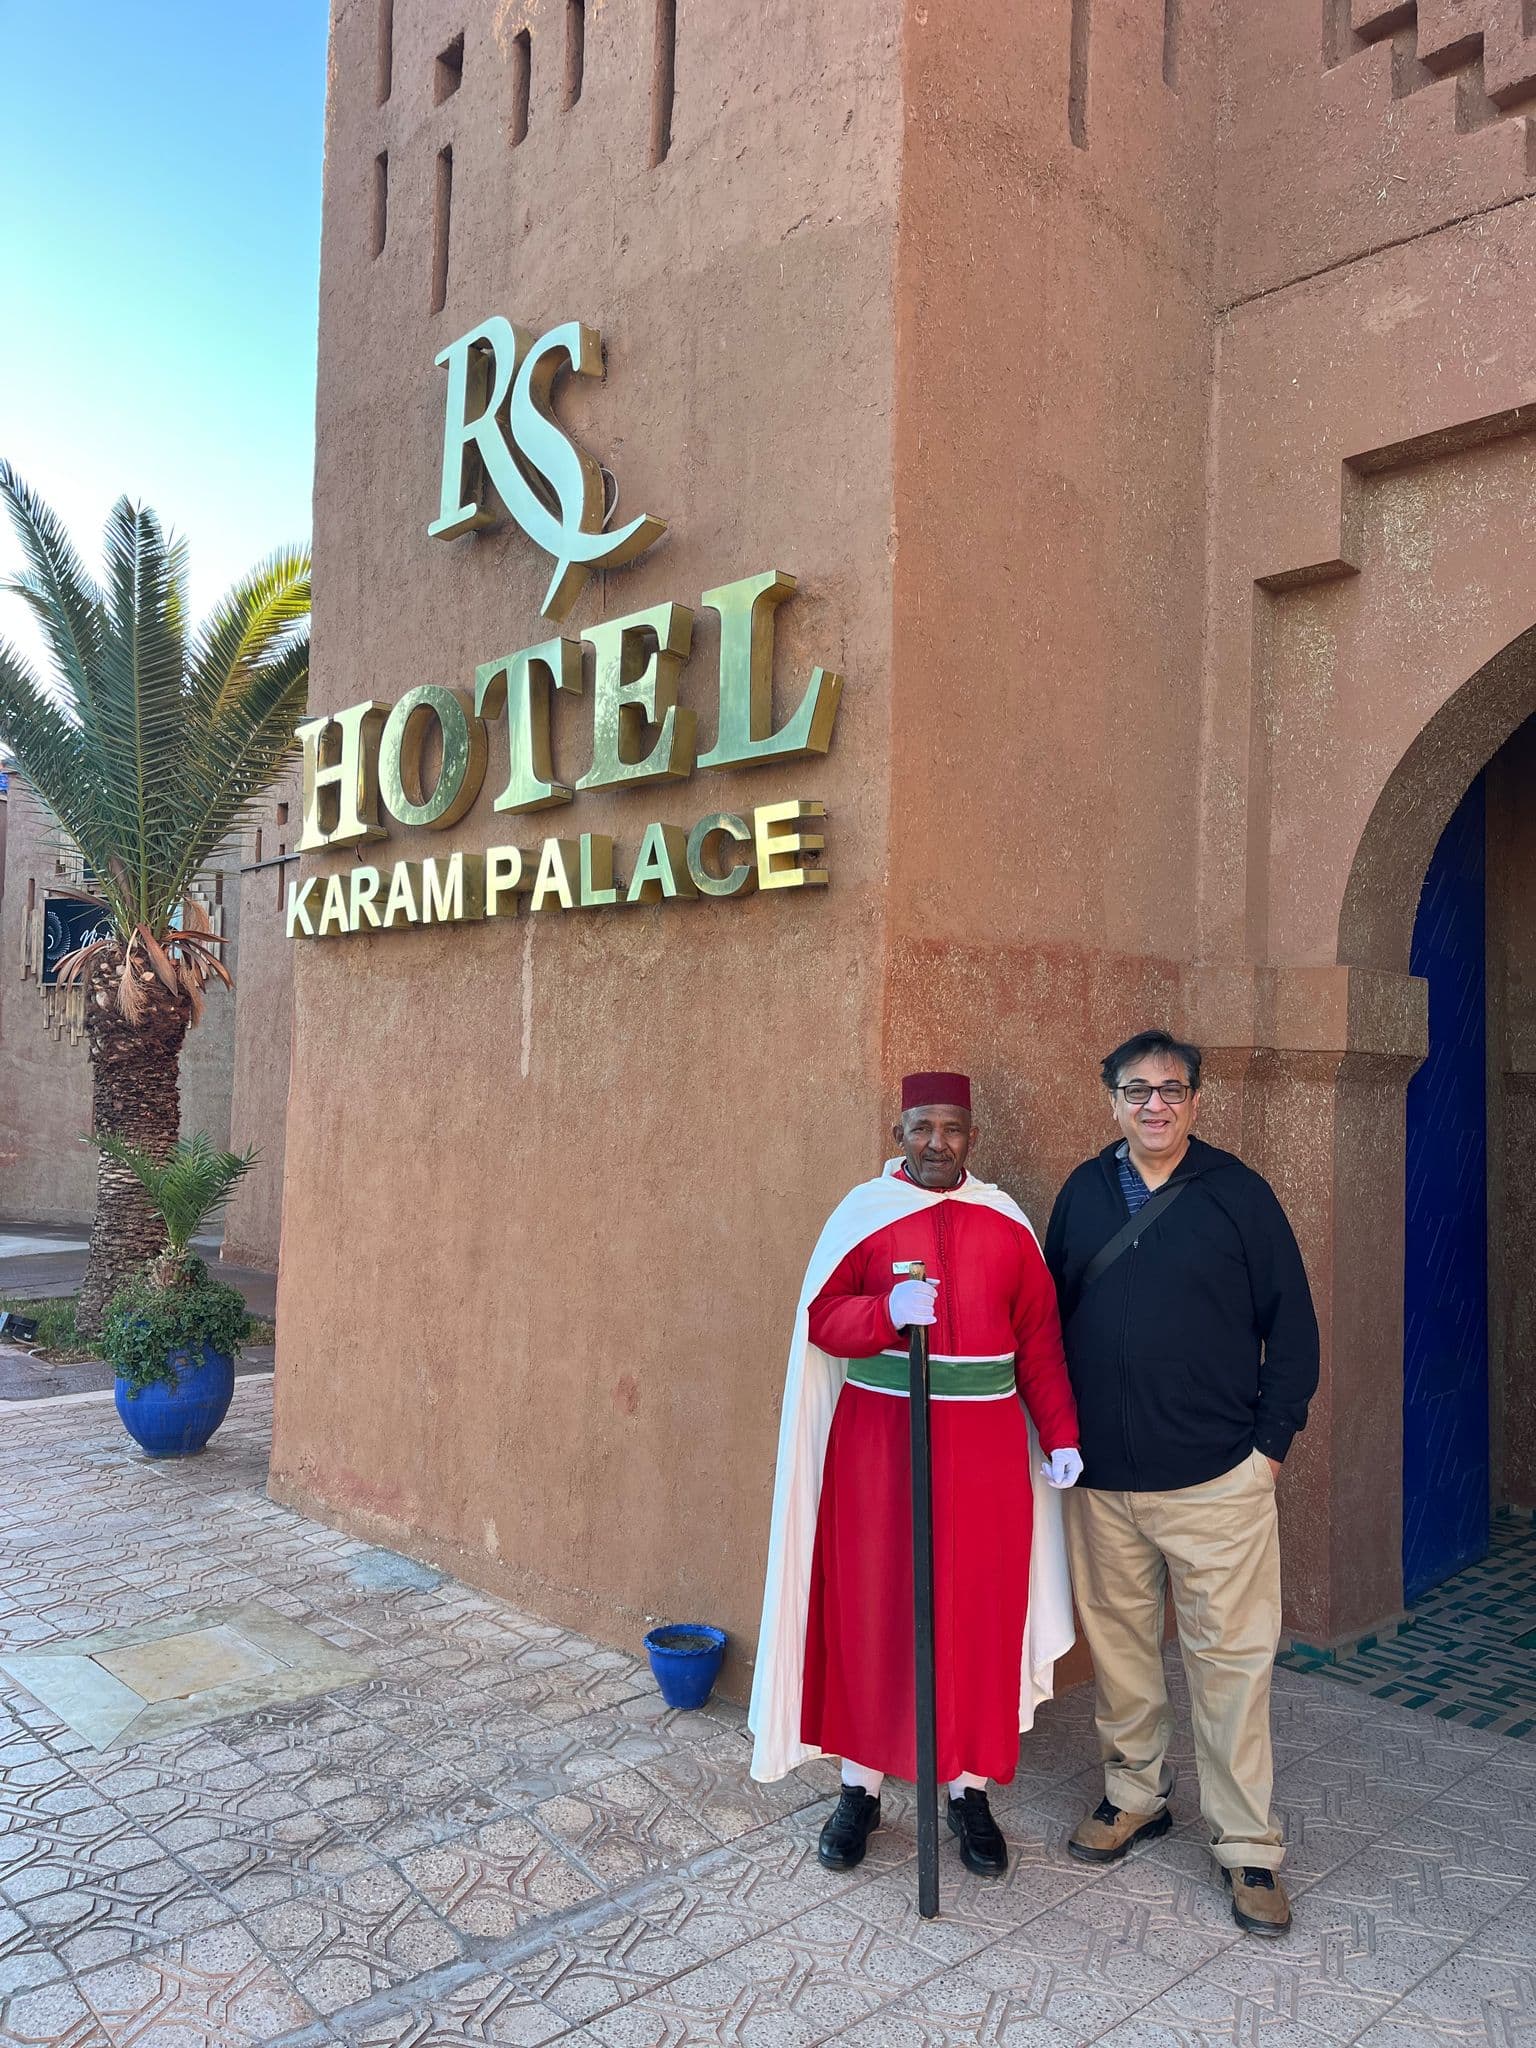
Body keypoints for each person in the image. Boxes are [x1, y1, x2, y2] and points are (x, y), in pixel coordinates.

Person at [749, 1072, 1083, 1877]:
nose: (939, 1142)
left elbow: (1038, 1339)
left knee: (977, 1613)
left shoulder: (1006, 1225)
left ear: (972, 1136)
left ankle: (969, 1790)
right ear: (899, 1131)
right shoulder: (861, 1217)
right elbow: (821, 1321)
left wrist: (1063, 1433)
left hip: (987, 1454)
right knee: (874, 1609)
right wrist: (882, 1317)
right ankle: (859, 1790)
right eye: (923, 1127)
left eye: (954, 1129)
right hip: (879, 1448)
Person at [1043, 1030, 1319, 1938]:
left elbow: (1297, 1332)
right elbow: (1048, 1321)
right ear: (1109, 1099)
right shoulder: (1084, 1195)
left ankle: (1248, 1847)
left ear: (1196, 1100)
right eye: (1137, 1089)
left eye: (1172, 1089)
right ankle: (1136, 1796)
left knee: (1231, 1665)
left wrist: (1266, 1450)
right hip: (1104, 1483)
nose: (1154, 1104)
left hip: (1216, 1483)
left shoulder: (1239, 1195)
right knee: (1122, 1654)